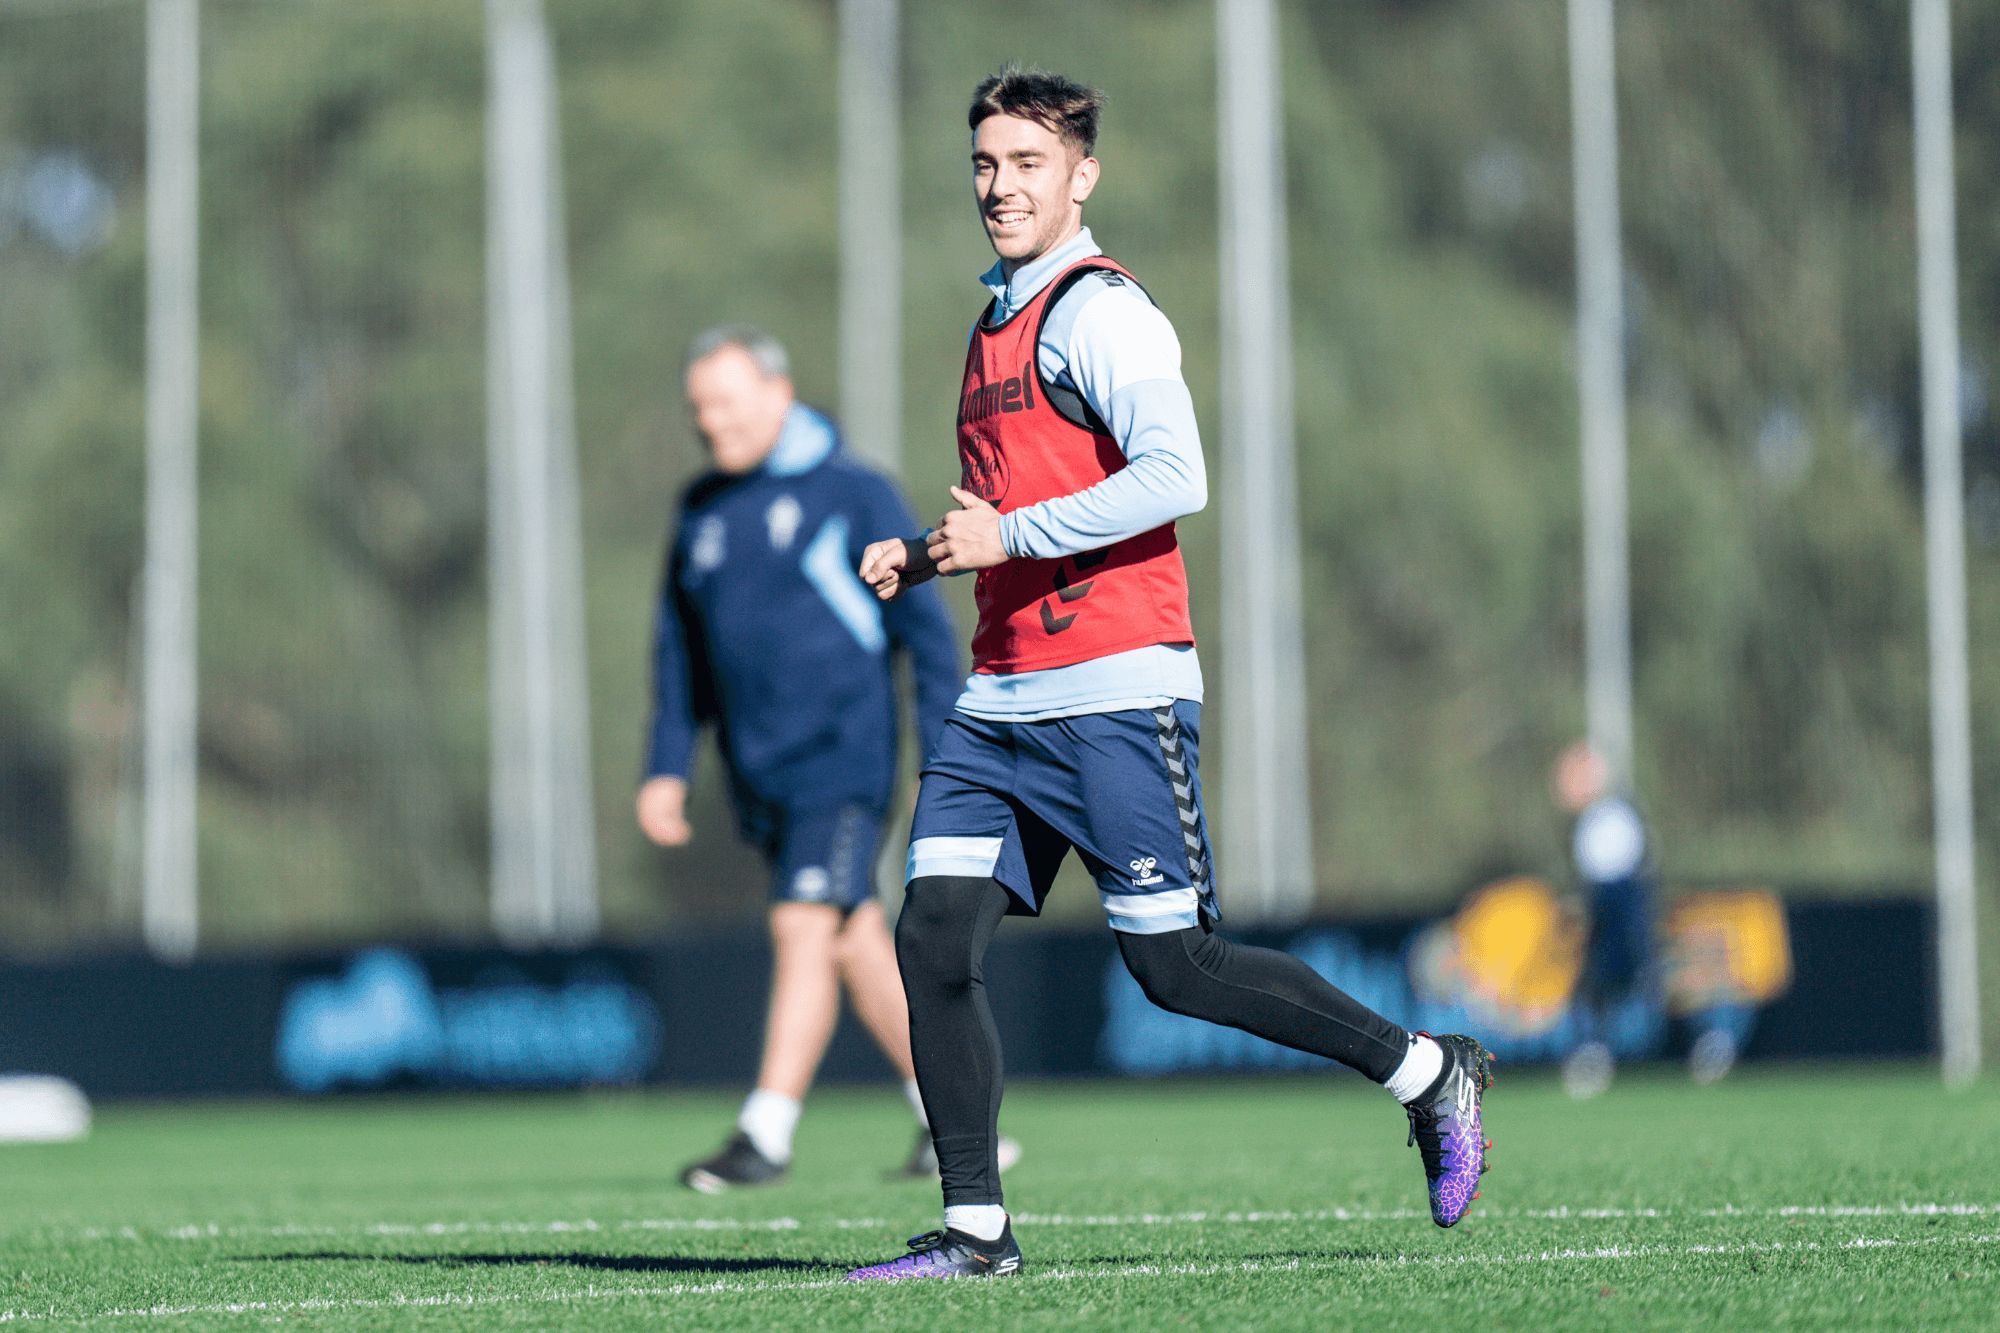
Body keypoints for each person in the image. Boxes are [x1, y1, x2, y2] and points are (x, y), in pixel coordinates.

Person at [843, 68, 1493, 1282]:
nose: (999, 186)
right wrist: (928, 553)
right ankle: (975, 1232)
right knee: (930, 937)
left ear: (1080, 177)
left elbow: (1172, 474)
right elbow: (1016, 510)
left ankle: (1423, 1070)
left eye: (1026, 164)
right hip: (998, 697)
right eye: (984, 163)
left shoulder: (1101, 312)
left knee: (1173, 967)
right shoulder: (992, 323)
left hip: (1112, 689)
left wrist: (1005, 535)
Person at [640, 325, 1016, 1190]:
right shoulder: (701, 508)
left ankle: (765, 1132)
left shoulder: (852, 492)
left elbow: (926, 639)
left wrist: (946, 756)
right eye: (699, 408)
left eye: (726, 402)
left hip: (844, 762)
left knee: (802, 921)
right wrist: (665, 765)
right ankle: (955, 1123)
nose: (710, 422)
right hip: (758, 771)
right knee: (849, 937)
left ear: (778, 393)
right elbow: (677, 651)